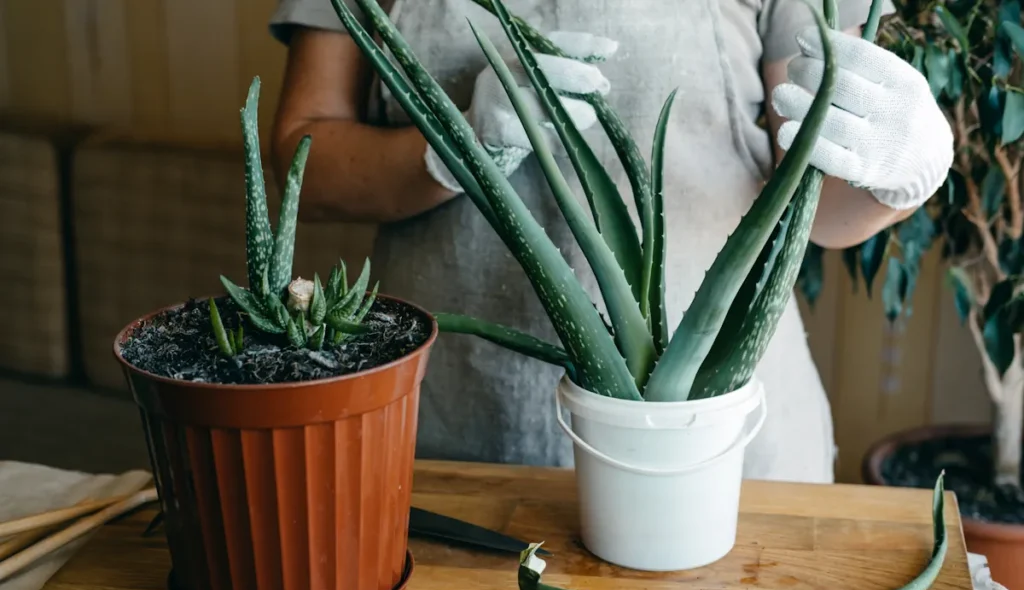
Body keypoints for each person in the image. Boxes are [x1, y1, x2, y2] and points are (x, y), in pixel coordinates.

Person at [266, 0, 953, 483]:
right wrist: (452, 147)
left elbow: (820, 205)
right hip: (449, 442)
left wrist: (901, 175)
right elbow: (306, 162)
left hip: (718, 445)